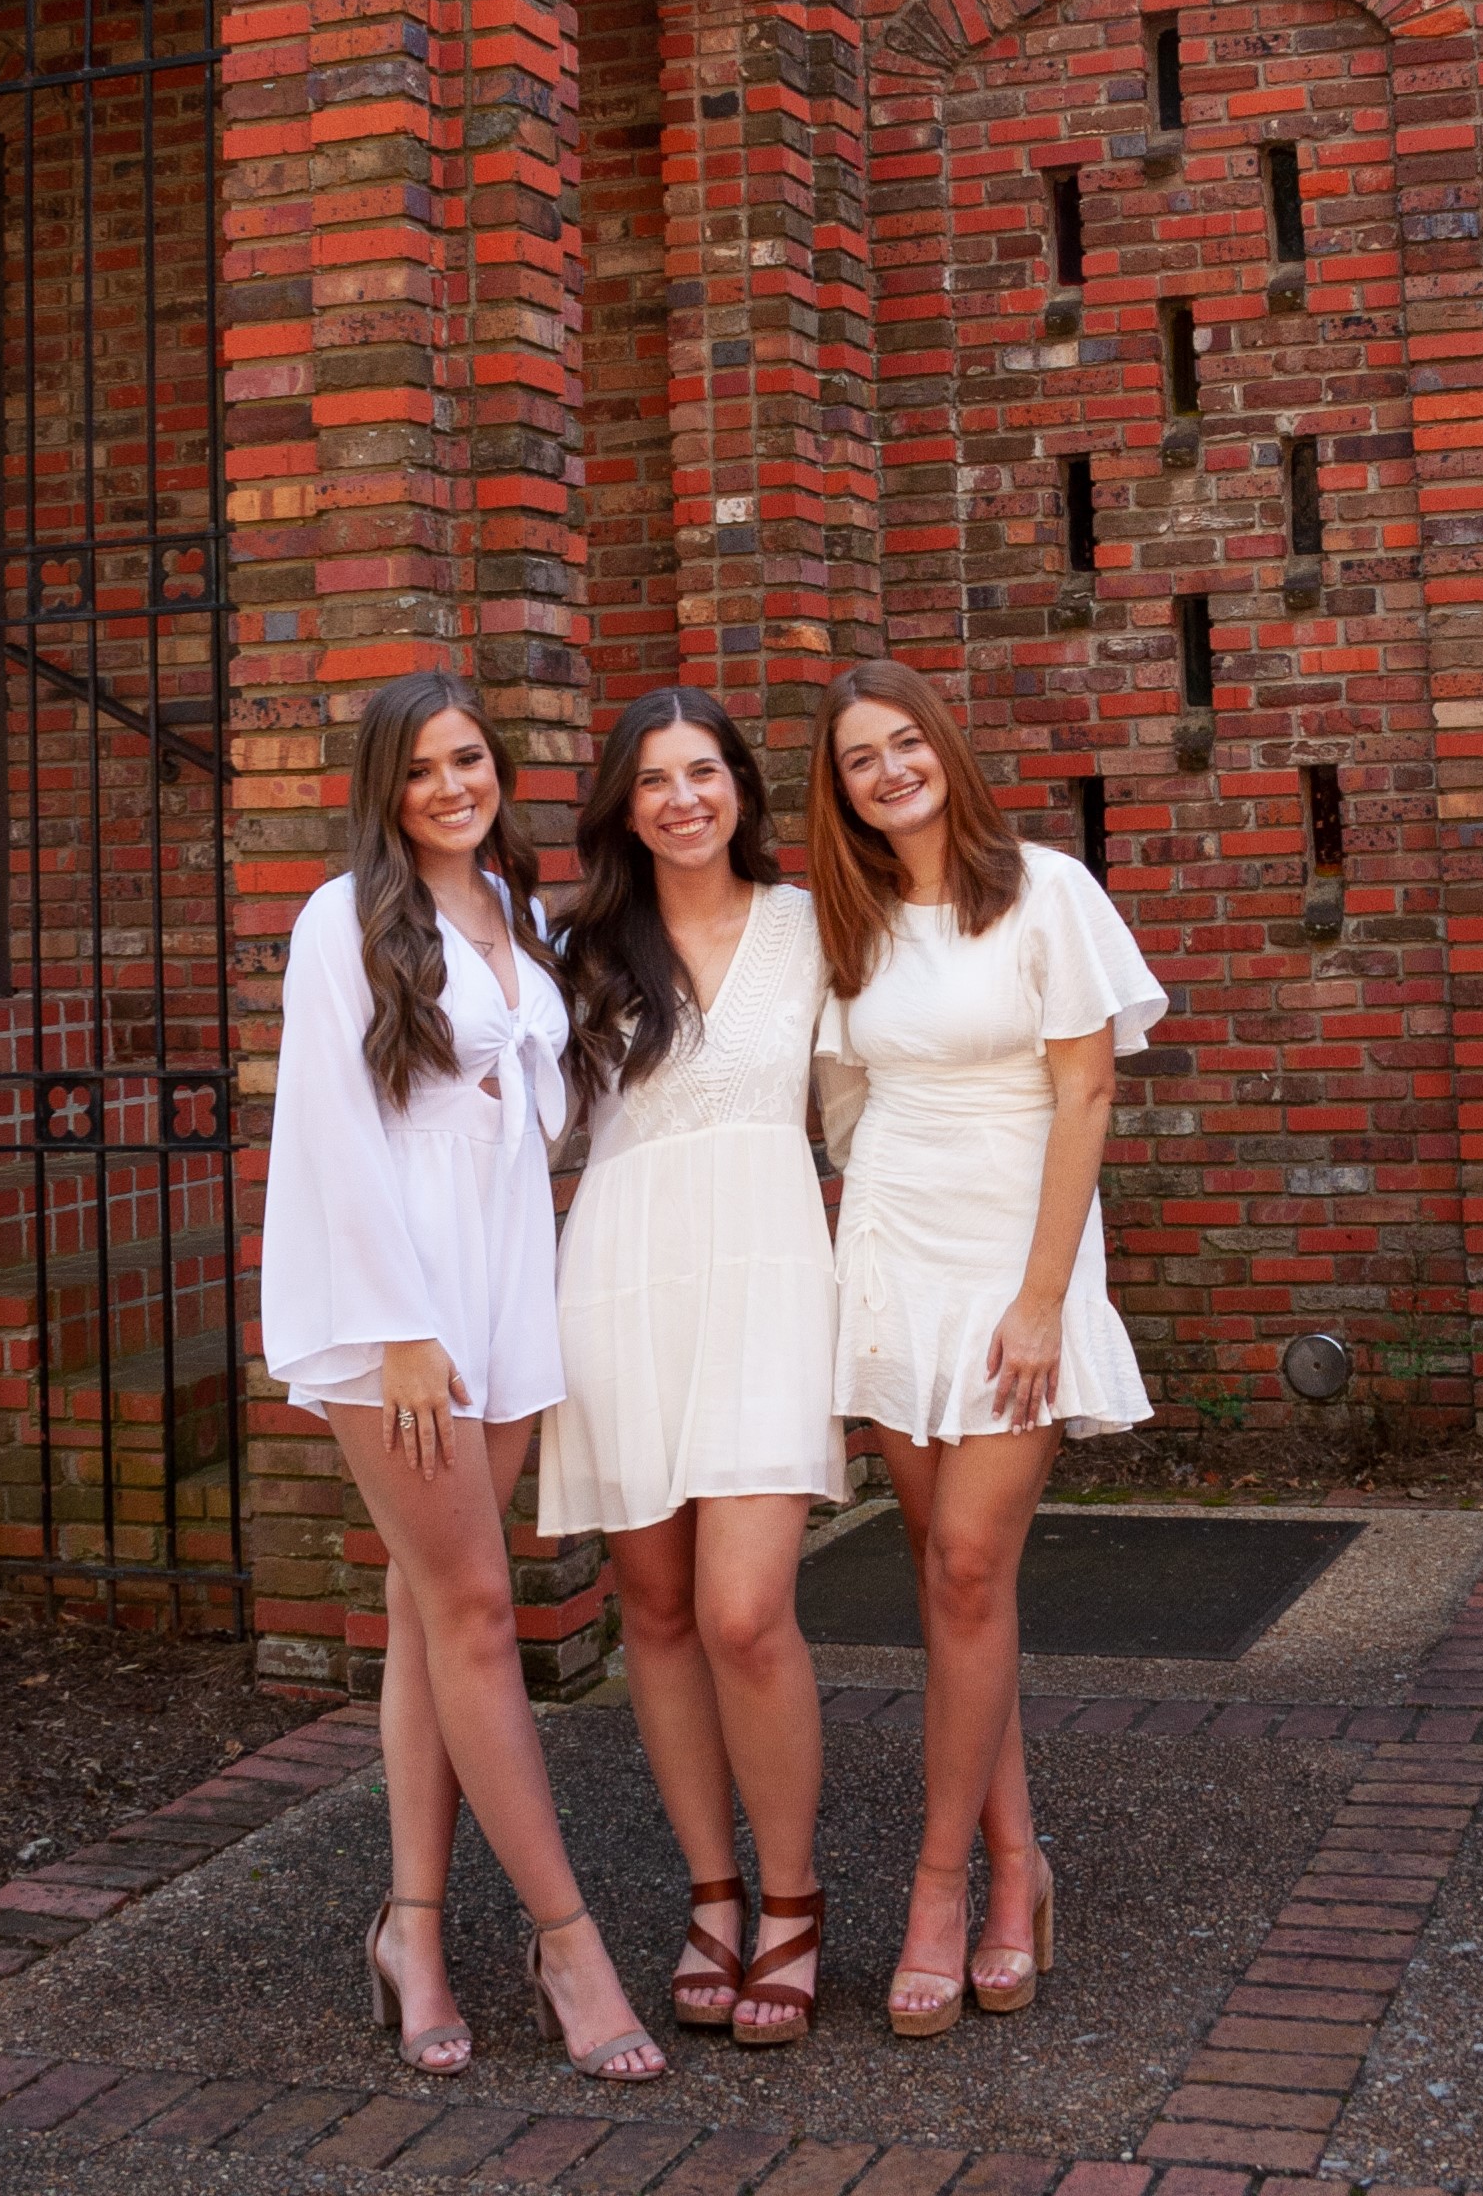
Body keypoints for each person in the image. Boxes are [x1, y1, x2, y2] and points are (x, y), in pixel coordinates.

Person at [260, 671, 664, 2083]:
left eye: (470, 759)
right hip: (401, 1309)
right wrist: (398, 1325)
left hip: (503, 1286)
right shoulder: (342, 920)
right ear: (386, 786)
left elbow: (546, 1113)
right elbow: (331, 1130)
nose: (450, 785)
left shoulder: (528, 918)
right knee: (480, 1610)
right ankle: (569, 1942)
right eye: (422, 767)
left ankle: (413, 1930)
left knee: (430, 1606)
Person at [807, 661, 1167, 2037]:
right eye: (858, 758)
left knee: (966, 1567)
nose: (889, 769)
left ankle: (938, 1890)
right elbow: (844, 1103)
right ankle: (1020, 1872)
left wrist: (1040, 1295)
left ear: (945, 751)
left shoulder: (1043, 890)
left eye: (906, 744)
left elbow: (1084, 1088)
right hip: (895, 1256)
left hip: (1018, 1262)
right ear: (834, 787)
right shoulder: (846, 926)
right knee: (953, 1585)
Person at [542, 688, 846, 2048]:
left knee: (742, 1614)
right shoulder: (578, 946)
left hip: (768, 1281)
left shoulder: (809, 927)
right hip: (618, 1282)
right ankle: (710, 1895)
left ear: (740, 789)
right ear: (621, 805)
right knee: (653, 1614)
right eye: (654, 779)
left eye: (704, 772)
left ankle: (794, 1898)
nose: (681, 798)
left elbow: (867, 1106)